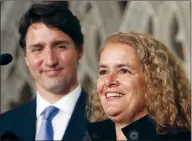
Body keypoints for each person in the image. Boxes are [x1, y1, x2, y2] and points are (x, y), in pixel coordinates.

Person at [0, 2, 88, 140]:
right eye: (38, 49)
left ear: (79, 50)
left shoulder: (113, 121)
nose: (50, 61)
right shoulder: (3, 126)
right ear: (26, 58)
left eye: (60, 46)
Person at [85, 32, 191, 140]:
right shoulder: (89, 137)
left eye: (124, 71)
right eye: (103, 72)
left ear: (154, 80)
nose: (108, 81)